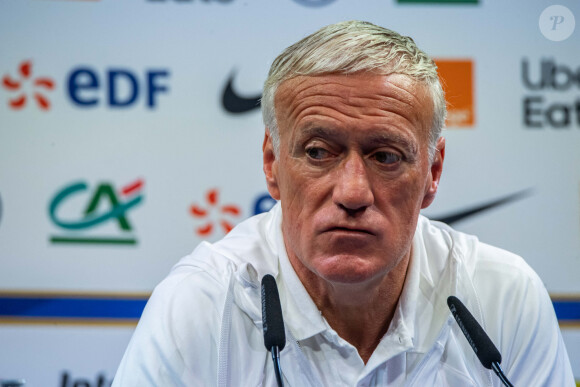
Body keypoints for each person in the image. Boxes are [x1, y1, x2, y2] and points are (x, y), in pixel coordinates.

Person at [113, 21, 574, 386]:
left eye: (386, 156)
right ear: (272, 164)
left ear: (433, 172)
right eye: (318, 152)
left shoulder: (503, 297)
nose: (353, 192)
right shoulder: (201, 305)